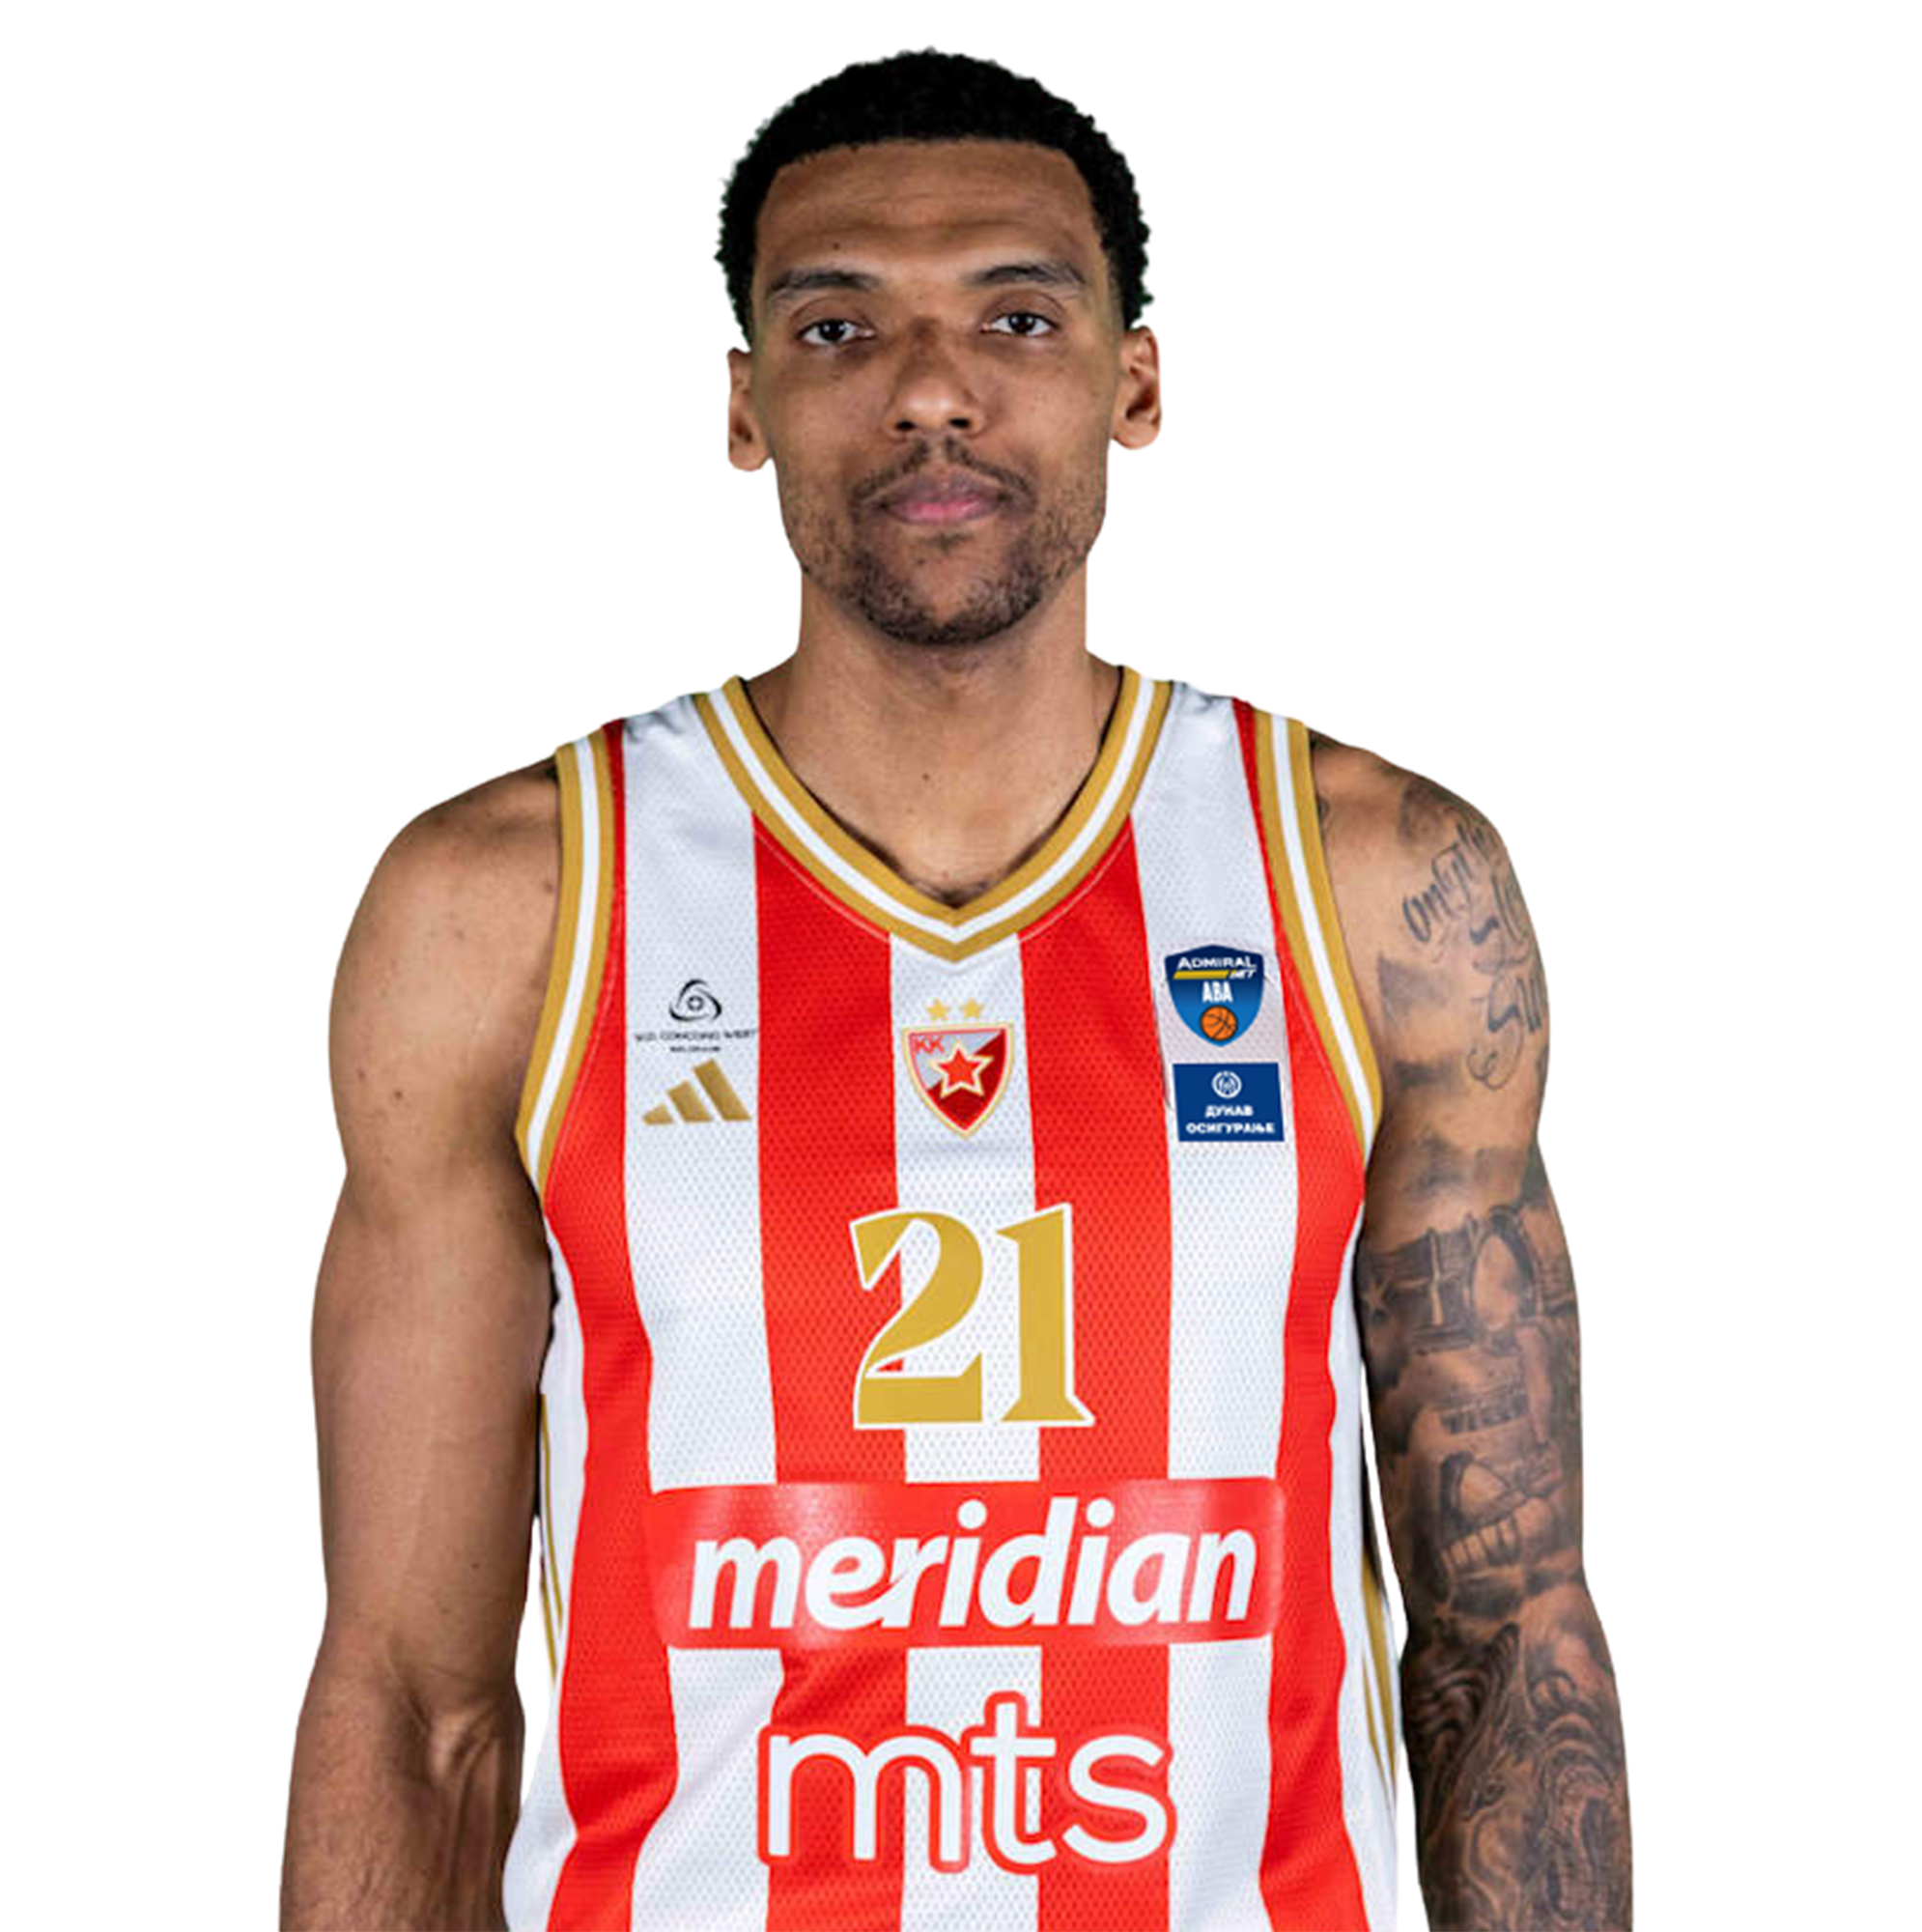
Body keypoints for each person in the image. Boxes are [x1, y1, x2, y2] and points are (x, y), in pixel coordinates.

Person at [283, 52, 1627, 1932]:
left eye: (1016, 314)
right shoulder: (507, 909)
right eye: (839, 325)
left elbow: (1503, 1641)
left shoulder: (1376, 885)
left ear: (1130, 391)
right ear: (743, 409)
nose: (930, 386)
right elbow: (417, 1703)